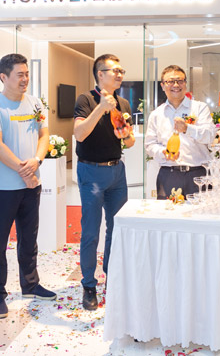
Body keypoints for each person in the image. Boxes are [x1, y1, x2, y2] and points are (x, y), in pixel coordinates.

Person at [0, 53, 55, 320]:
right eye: (19, 74)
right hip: (3, 187)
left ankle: (30, 284)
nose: (25, 79)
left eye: (27, 74)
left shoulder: (35, 103)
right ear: (4, 77)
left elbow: (44, 135)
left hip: (32, 184)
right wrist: (24, 171)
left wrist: (37, 161)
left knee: (29, 238)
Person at [74, 53, 134, 310]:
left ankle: (112, 276)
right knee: (90, 231)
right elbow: (79, 134)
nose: (119, 74)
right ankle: (89, 284)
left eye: (121, 70)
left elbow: (129, 142)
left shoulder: (124, 102)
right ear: (100, 74)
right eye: (114, 70)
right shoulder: (86, 99)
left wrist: (126, 135)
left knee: (116, 227)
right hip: (91, 172)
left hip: (117, 172)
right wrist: (101, 108)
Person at [145, 65, 214, 199]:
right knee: (168, 212)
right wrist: (163, 153)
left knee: (201, 212)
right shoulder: (156, 114)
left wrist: (188, 129)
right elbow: (150, 144)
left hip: (198, 174)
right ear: (163, 85)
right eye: (170, 81)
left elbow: (209, 136)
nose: (176, 85)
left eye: (180, 81)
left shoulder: (200, 108)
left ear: (185, 84)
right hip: (168, 174)